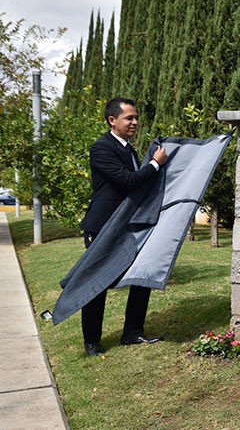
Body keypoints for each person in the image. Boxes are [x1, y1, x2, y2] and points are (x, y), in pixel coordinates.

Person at [78, 97, 168, 356]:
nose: (135, 122)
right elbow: (129, 181)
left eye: (136, 117)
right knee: (98, 282)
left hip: (127, 224)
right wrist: (155, 163)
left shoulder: (128, 148)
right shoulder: (101, 148)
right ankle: (92, 342)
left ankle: (132, 333)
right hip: (102, 226)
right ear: (112, 120)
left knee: (142, 274)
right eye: (129, 118)